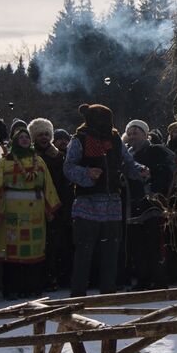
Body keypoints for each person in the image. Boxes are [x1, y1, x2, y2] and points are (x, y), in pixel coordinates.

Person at [63, 104, 148, 297]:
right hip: (87, 204)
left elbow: (128, 163)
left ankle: (108, 292)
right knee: (84, 252)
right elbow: (68, 167)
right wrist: (86, 173)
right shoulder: (79, 139)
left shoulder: (115, 139)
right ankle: (78, 294)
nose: (103, 122)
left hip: (112, 204)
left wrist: (139, 169)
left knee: (111, 252)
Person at [0, 127, 61, 299]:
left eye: (26, 137)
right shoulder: (5, 162)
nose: (24, 140)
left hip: (35, 212)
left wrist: (50, 208)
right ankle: (12, 288)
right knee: (11, 250)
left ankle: (32, 287)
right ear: (14, 141)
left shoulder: (39, 161)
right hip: (11, 213)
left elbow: (48, 185)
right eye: (20, 137)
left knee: (34, 250)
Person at [123, 120, 177, 290]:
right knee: (138, 246)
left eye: (136, 132)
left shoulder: (156, 150)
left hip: (153, 204)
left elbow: (167, 172)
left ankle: (159, 280)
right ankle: (142, 279)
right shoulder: (127, 154)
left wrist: (157, 192)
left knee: (155, 244)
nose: (132, 136)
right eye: (130, 133)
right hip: (133, 205)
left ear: (145, 134)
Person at [29, 118, 72, 289]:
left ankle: (56, 277)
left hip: (57, 206)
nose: (44, 137)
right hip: (34, 206)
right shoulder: (29, 157)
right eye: (40, 134)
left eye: (47, 134)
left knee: (56, 244)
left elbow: (65, 184)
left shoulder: (59, 157)